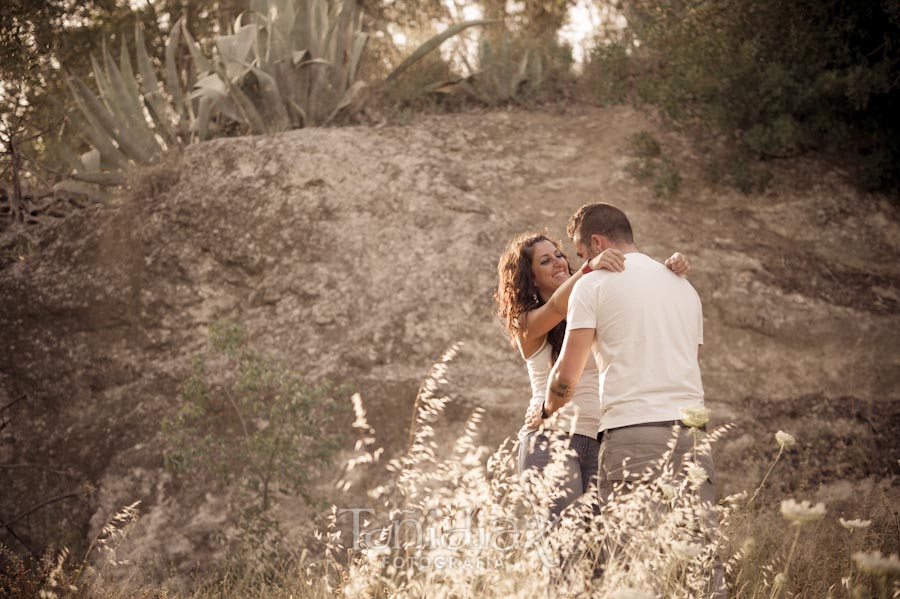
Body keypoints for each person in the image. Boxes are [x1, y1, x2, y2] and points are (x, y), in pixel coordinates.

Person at [540, 202, 726, 598]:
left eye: (579, 253)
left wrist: (547, 410)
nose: (580, 263)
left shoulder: (593, 285)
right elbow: (690, 360)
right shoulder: (683, 285)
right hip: (693, 440)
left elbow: (566, 377)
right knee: (701, 572)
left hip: (633, 438)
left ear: (596, 242)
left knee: (638, 572)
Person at [493, 231, 690, 520]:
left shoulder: (593, 304)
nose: (559, 262)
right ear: (531, 278)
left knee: (601, 558)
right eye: (545, 261)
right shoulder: (526, 323)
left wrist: (668, 271)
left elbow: (644, 306)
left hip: (603, 442)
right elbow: (557, 306)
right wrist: (589, 268)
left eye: (559, 255)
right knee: (566, 549)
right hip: (550, 438)